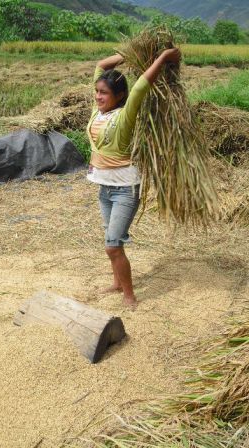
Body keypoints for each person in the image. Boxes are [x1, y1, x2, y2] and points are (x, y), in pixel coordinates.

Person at [86, 48, 181, 309]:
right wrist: (130, 53)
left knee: (112, 246)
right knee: (111, 238)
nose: (98, 96)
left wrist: (161, 58)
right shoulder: (98, 113)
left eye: (104, 93)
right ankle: (117, 283)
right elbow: (101, 63)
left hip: (125, 189)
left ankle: (129, 295)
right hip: (104, 188)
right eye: (97, 91)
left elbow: (140, 87)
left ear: (119, 96)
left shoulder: (125, 115)